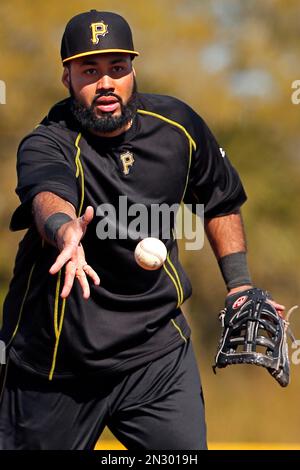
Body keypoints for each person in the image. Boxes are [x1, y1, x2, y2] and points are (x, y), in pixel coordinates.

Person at [0, 10, 284, 450]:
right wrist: (63, 230)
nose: (106, 82)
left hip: (156, 354)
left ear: (134, 70)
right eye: (89, 71)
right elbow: (46, 193)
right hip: (56, 365)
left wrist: (239, 283)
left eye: (118, 68)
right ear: (67, 79)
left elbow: (220, 199)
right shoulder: (49, 141)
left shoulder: (178, 128)